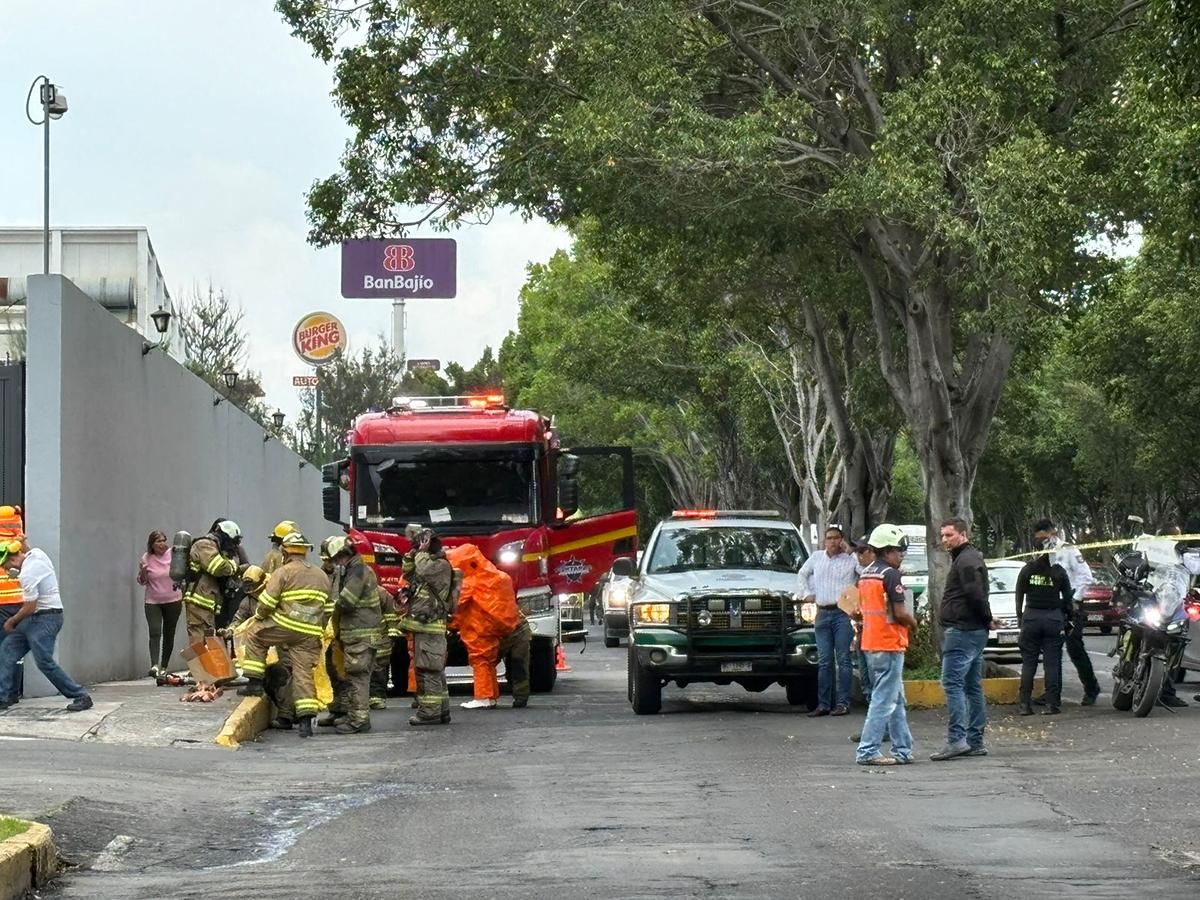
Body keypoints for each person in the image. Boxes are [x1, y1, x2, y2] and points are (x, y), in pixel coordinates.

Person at [238, 532, 332, 738]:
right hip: (310, 633)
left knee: (254, 633)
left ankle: (254, 683)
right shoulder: (321, 575)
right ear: (305, 551)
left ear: (284, 551)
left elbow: (267, 603)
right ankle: (306, 723)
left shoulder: (283, 572)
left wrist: (259, 616)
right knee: (303, 674)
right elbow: (329, 609)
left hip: (285, 626)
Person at [931, 517, 999, 761]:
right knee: (971, 686)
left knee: (952, 683)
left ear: (962, 534)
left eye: (949, 535)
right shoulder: (966, 558)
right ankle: (975, 741)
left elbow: (975, 593)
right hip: (970, 630)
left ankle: (957, 740)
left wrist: (987, 617)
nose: (944, 540)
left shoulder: (967, 560)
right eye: (942, 536)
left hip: (963, 631)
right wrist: (986, 619)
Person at [0, 536, 92, 712]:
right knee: (8, 649)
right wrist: (22, 541)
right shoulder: (37, 554)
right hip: (34, 618)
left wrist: (11, 621)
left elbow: (29, 607)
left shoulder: (27, 574)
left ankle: (81, 695)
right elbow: (26, 548)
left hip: (46, 618)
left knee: (44, 661)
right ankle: (4, 696)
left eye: (6, 567)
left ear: (12, 560)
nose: (7, 571)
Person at [853, 524, 917, 766]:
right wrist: (914, 624)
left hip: (871, 642)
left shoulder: (866, 574)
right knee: (883, 699)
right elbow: (900, 613)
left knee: (895, 698)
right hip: (889, 643)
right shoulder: (890, 575)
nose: (902, 556)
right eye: (900, 551)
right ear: (887, 550)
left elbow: (858, 610)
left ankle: (903, 749)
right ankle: (868, 750)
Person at [447, 544, 530, 710]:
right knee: (518, 665)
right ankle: (513, 698)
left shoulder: (468, 583)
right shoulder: (500, 577)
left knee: (481, 662)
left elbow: (455, 608)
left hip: (482, 630)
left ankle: (484, 697)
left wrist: (448, 623)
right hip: (514, 627)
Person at [1032, 519, 1101, 705]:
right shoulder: (1041, 553)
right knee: (1051, 650)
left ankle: (1091, 688)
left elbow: (1086, 577)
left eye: (1042, 536)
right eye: (1037, 538)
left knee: (1074, 648)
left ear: (1051, 532)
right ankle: (1052, 693)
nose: (1040, 541)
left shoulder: (1068, 549)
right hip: (1052, 604)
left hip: (1071, 604)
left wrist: (1075, 600)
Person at [320, 536, 381, 735]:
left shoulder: (359, 571)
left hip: (360, 635)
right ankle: (353, 714)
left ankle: (359, 720)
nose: (336, 563)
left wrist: (329, 609)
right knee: (352, 675)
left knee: (358, 676)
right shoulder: (354, 570)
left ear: (342, 555)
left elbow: (347, 601)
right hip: (356, 634)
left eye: (336, 559)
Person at [798, 525, 860, 717]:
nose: (833, 542)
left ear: (841, 540)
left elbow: (864, 572)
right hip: (822, 614)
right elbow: (802, 573)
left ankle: (843, 703)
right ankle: (824, 704)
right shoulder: (817, 557)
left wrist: (852, 552)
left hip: (842, 614)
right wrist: (807, 593)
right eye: (830, 538)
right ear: (825, 541)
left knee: (843, 659)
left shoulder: (850, 560)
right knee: (824, 661)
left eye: (837, 538)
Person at [398, 527, 454, 726]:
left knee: (429, 670)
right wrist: (410, 555)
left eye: (420, 545)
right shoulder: (427, 562)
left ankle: (429, 713)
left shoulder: (440, 566)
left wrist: (420, 553)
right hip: (424, 626)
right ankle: (442, 710)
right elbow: (409, 573)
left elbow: (423, 570)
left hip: (431, 627)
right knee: (433, 670)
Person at [1014, 551, 1073, 715]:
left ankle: (1024, 704)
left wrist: (1021, 617)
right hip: (1053, 619)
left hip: (1031, 618)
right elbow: (1068, 598)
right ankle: (1052, 704)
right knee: (1052, 663)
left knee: (1028, 663)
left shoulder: (1027, 570)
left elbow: (1019, 594)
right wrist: (1067, 615)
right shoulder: (1058, 571)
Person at [183, 520, 242, 647]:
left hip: (207, 601)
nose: (232, 546)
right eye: (231, 541)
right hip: (198, 600)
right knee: (198, 640)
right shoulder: (204, 545)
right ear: (224, 535)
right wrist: (234, 563)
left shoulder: (216, 548)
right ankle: (197, 666)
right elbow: (219, 568)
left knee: (206, 639)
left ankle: (203, 666)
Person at [138, 531, 183, 677]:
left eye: (164, 540)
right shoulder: (146, 557)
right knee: (155, 631)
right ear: (152, 544)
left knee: (169, 633)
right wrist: (143, 572)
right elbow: (142, 581)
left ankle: (164, 666)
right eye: (158, 541)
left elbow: (181, 571)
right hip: (153, 601)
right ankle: (154, 665)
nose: (162, 544)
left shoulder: (173, 554)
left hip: (173, 599)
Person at [0, 506, 27, 696]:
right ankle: (13, 692)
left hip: (3, 603)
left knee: (4, 649)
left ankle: (5, 694)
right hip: (21, 603)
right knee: (15, 650)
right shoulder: (20, 547)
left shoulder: (3, 548)